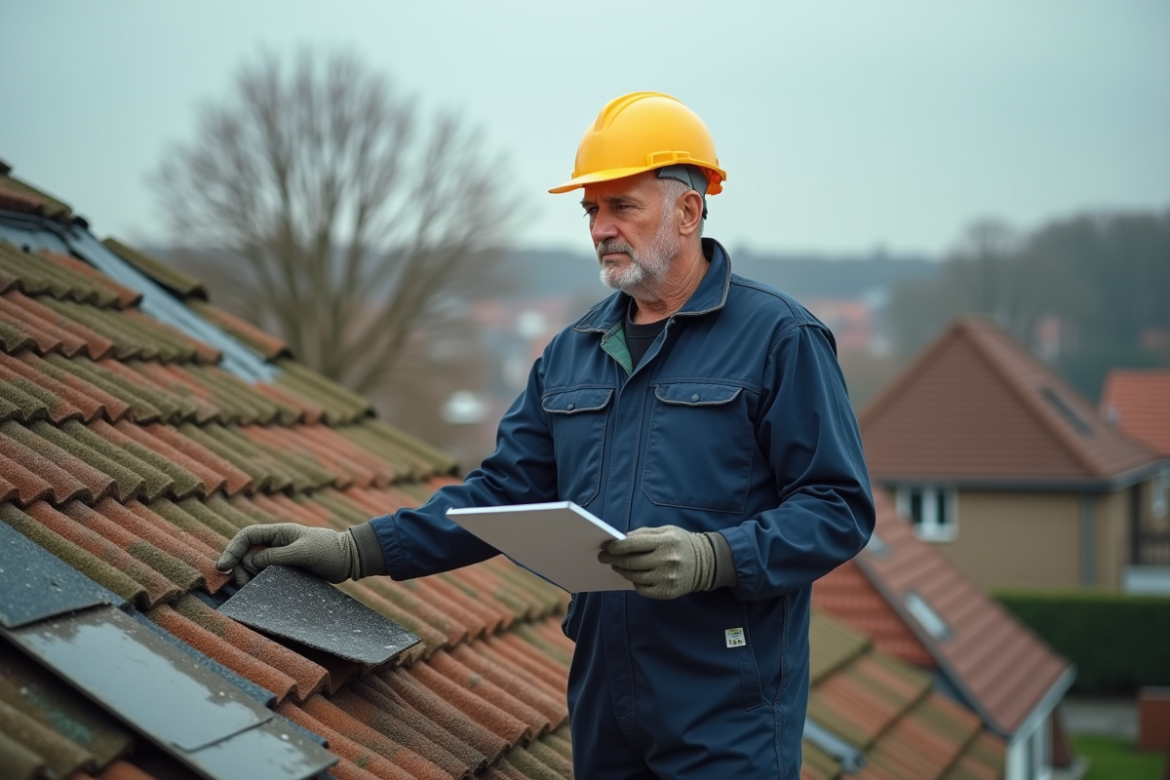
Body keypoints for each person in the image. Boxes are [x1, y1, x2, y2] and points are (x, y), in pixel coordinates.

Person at [217, 91, 875, 779]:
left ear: (688, 210)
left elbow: (837, 508)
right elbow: (500, 496)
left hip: (728, 709)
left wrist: (715, 556)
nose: (600, 228)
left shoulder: (779, 338)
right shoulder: (572, 353)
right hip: (604, 699)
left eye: (622, 206)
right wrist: (355, 549)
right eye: (591, 210)